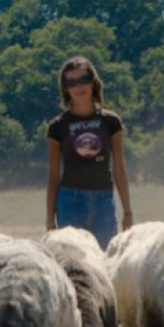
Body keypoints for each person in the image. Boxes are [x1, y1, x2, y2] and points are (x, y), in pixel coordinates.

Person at [45, 56, 133, 248]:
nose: (78, 87)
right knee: (73, 258)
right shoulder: (57, 126)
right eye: (71, 82)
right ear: (66, 88)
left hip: (104, 200)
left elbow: (119, 168)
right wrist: (50, 220)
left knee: (106, 256)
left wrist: (127, 212)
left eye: (83, 80)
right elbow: (53, 176)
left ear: (93, 82)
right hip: (70, 201)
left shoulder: (111, 122)